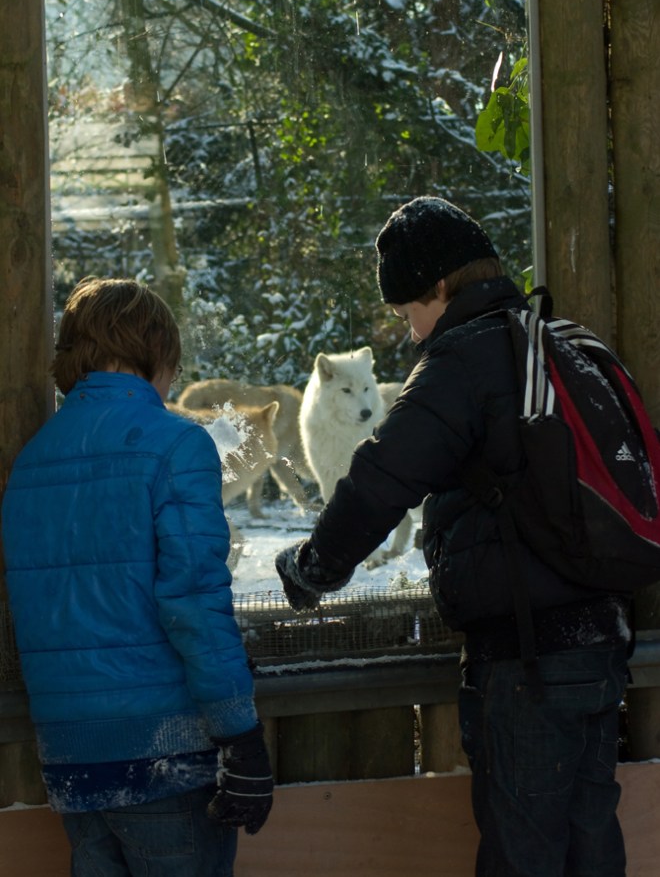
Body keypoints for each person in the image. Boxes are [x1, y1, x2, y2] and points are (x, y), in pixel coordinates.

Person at [276, 196, 630, 877]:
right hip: (600, 642)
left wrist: (311, 567)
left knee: (521, 852)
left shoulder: (462, 365)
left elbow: (380, 481)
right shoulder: (555, 342)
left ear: (440, 287)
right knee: (591, 846)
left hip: (528, 658)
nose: (409, 333)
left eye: (409, 311)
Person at [1, 276, 273, 877]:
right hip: (164, 754)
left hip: (71, 761)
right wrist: (241, 735)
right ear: (157, 356)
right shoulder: (176, 447)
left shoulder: (32, 459)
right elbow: (196, 603)